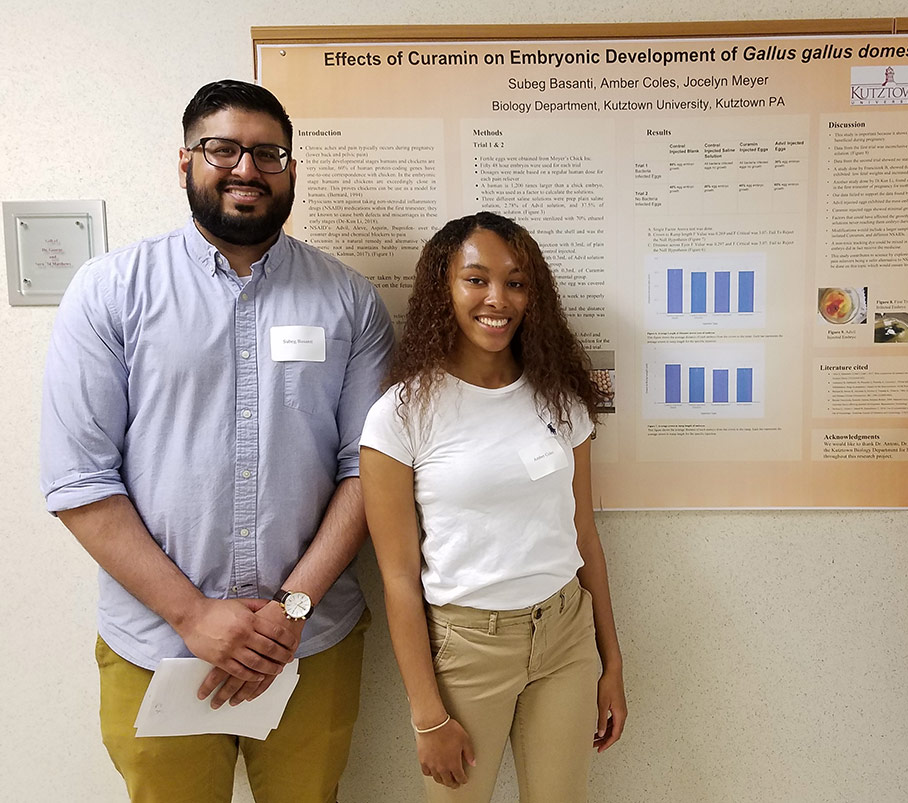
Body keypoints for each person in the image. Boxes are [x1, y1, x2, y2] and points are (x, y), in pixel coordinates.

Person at [40, 79, 393, 803]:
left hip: (309, 641)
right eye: (222, 148)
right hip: (159, 645)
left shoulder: (349, 301)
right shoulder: (110, 291)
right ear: (184, 162)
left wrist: (288, 611)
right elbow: (79, 481)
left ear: (291, 169)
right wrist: (194, 615)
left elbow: (369, 470)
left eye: (268, 153)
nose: (246, 169)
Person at [360, 211, 626, 802]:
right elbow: (399, 578)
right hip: (466, 649)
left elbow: (585, 537)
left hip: (564, 640)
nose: (497, 299)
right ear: (442, 289)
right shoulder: (401, 415)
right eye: (476, 279)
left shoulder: (561, 396)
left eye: (516, 282)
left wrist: (612, 664)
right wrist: (427, 715)